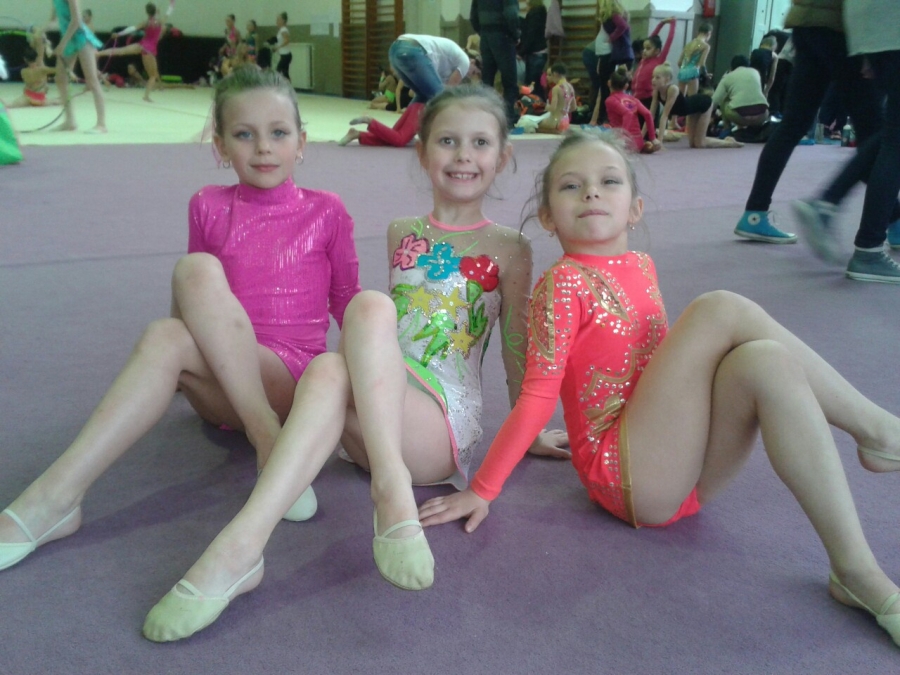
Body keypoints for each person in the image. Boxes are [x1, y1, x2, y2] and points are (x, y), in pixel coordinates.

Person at [418, 128, 900, 648]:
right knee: (719, 308)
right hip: (626, 477)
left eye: (608, 182)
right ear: (548, 217)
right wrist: (482, 490)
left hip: (684, 469)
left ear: (636, 209)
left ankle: (854, 569)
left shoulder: (640, 265)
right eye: (571, 186)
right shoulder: (563, 282)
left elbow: (661, 375)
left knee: (766, 360)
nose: (591, 192)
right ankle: (879, 431)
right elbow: (539, 394)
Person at [140, 85, 568, 642]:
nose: (464, 155)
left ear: (503, 156)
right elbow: (383, 339)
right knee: (344, 345)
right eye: (448, 141)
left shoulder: (510, 246)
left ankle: (284, 531)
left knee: (363, 313)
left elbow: (515, 345)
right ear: (422, 151)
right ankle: (246, 546)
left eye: (480, 143)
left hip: (438, 421)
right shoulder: (402, 232)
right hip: (377, 413)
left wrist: (527, 429)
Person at [0, 67, 361, 578]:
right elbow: (197, 305)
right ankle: (57, 497)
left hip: (292, 381)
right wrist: (170, 366)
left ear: (301, 143)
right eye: (244, 134)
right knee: (188, 285)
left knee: (183, 299)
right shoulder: (207, 205)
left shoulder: (326, 211)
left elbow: (347, 300)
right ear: (220, 146)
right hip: (226, 390)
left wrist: (371, 386)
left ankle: (267, 434)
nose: (263, 147)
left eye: (278, 133)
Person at [734, 0, 891, 245]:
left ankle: (755, 213)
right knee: (874, 132)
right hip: (840, 28)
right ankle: (880, 218)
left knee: (793, 123)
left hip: (804, 24)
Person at [790, 0, 900, 282]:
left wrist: (866, 42)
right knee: (895, 139)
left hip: (871, 28)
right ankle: (868, 248)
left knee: (892, 133)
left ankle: (828, 204)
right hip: (889, 28)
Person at [338, 35, 469, 147]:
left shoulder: (447, 65)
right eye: (475, 72)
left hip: (396, 50)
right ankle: (369, 121)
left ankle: (357, 134)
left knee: (393, 136)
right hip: (413, 50)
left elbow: (415, 93)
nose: (473, 75)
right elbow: (446, 96)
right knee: (400, 139)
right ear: (473, 62)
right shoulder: (465, 62)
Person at [650, 64, 742, 149]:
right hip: (691, 110)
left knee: (700, 143)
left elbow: (664, 116)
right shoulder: (657, 92)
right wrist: (642, 137)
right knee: (692, 144)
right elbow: (650, 116)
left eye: (657, 77)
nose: (653, 80)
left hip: (704, 104)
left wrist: (660, 142)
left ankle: (729, 143)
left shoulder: (672, 89)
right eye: (653, 77)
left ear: (667, 79)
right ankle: (726, 141)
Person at [48, 0, 106, 132]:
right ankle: (70, 121)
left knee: (92, 80)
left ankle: (101, 124)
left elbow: (77, 21)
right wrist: (41, 31)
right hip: (68, 38)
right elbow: (53, 20)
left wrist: (62, 44)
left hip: (80, 37)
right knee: (60, 79)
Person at [95, 3, 166, 103]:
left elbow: (132, 28)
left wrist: (119, 34)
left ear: (147, 12)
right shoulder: (160, 22)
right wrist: (172, 3)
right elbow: (168, 13)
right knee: (153, 76)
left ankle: (98, 53)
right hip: (149, 50)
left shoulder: (146, 22)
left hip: (141, 45)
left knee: (120, 51)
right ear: (156, 11)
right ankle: (146, 96)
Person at [471, 0, 520, 128]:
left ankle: (483, 119)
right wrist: (515, 34)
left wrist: (483, 32)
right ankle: (507, 121)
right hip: (503, 36)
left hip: (485, 37)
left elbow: (473, 17)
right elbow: (511, 13)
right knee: (509, 82)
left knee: (487, 82)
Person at [588, 0, 633, 126]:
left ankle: (606, 119)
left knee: (608, 89)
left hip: (613, 57)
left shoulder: (613, 16)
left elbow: (622, 26)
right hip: (607, 56)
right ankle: (603, 118)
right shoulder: (611, 17)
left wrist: (611, 38)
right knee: (605, 89)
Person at [605, 64, 659, 153]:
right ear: (626, 86)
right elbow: (648, 114)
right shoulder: (633, 99)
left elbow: (628, 114)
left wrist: (623, 137)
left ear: (609, 83)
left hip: (624, 143)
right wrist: (653, 138)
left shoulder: (610, 100)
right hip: (638, 142)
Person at [711, 55, 770, 131]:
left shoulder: (727, 77)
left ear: (731, 67)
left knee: (724, 100)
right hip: (763, 115)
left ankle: (726, 130)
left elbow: (714, 101)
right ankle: (751, 130)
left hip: (740, 117)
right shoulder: (756, 72)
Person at [631, 17, 676, 110]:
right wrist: (661, 23)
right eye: (644, 48)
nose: (644, 51)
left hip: (648, 100)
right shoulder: (643, 60)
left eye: (648, 48)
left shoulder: (658, 61)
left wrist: (672, 24)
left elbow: (669, 40)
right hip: (635, 98)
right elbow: (651, 38)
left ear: (657, 51)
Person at [520, 0, 549, 100]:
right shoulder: (541, 12)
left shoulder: (534, 13)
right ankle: (539, 104)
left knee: (532, 85)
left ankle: (535, 105)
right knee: (537, 84)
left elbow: (531, 35)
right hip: (540, 51)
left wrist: (521, 52)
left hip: (535, 53)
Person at [537, 61, 575, 134]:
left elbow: (553, 108)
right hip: (566, 121)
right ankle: (559, 130)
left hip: (555, 121)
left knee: (531, 124)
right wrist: (564, 111)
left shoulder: (556, 88)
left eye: (551, 75)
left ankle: (555, 131)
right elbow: (574, 107)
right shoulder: (571, 87)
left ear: (555, 74)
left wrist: (543, 106)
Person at [677, 22, 712, 96]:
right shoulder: (705, 46)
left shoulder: (688, 44)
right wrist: (706, 74)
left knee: (680, 99)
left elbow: (679, 62)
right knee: (692, 98)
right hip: (693, 72)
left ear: (698, 32)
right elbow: (702, 63)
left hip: (682, 72)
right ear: (708, 33)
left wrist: (684, 69)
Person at [274, 12, 291, 81]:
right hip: (284, 55)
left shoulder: (283, 30)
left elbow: (287, 41)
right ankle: (288, 86)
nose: (277, 21)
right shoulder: (281, 30)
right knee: (285, 73)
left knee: (278, 71)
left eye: (278, 19)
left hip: (286, 55)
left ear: (283, 21)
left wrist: (278, 47)